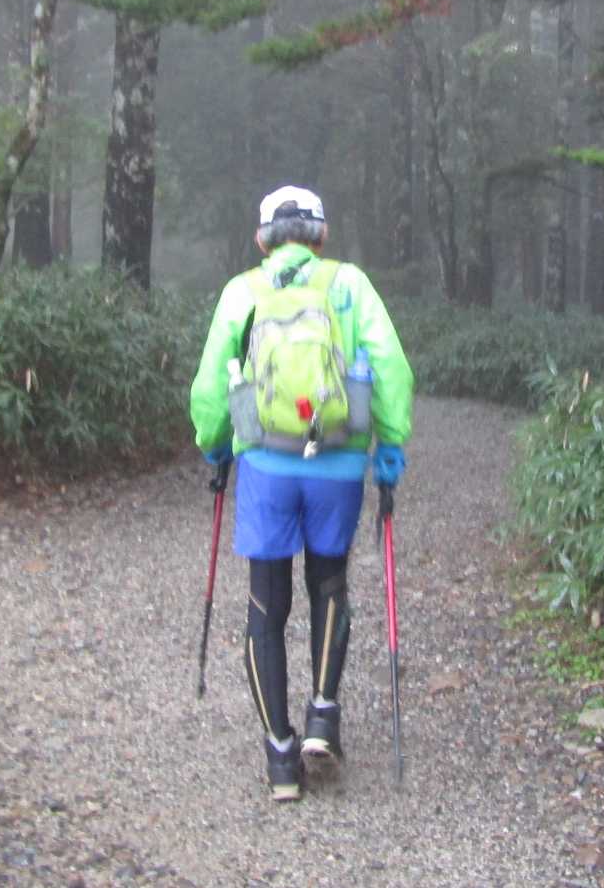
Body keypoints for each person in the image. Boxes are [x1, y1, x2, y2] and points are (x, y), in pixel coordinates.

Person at [189, 185, 414, 801]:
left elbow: (211, 382)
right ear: (321, 235)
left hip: (267, 462)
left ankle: (281, 758)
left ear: (262, 239)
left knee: (266, 603)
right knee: (329, 584)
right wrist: (390, 446)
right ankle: (322, 716)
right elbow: (390, 366)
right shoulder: (350, 285)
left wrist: (215, 442)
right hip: (337, 462)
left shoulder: (243, 290)